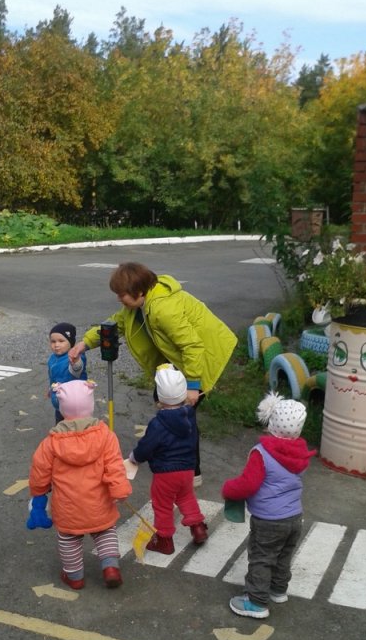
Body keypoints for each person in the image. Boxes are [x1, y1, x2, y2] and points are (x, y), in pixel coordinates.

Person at [69, 262, 237, 483]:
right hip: (178, 357)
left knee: (183, 415)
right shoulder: (135, 307)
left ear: (139, 291)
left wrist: (194, 386)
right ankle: (170, 455)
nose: (119, 299)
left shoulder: (163, 310)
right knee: (166, 404)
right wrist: (85, 343)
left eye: (122, 295)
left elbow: (193, 347)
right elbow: (114, 324)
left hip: (203, 353)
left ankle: (190, 472)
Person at [28, 379, 132, 589]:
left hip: (68, 506)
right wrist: (119, 489)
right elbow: (114, 465)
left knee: (69, 539)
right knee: (105, 532)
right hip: (99, 502)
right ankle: (110, 567)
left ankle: (75, 576)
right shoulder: (106, 436)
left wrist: (38, 493)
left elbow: (39, 472)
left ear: (62, 409)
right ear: (90, 405)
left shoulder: (51, 443)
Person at [221, 391, 316, 619]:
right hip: (294, 517)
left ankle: (256, 602)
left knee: (262, 558)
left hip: (268, 520)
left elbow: (248, 484)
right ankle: (278, 589)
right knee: (283, 556)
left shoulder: (262, 453)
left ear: (271, 422)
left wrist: (229, 489)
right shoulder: (301, 454)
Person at [128, 364, 208, 555]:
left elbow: (147, 446)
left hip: (166, 472)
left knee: (162, 505)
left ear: (159, 398)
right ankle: (198, 527)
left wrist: (135, 458)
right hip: (187, 469)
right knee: (186, 496)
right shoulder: (190, 417)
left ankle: (164, 540)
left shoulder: (159, 423)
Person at [47, 322, 88, 423]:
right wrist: (51, 388)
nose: (56, 345)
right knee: (60, 426)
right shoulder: (53, 358)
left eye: (61, 341)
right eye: (53, 341)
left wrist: (76, 361)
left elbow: (77, 369)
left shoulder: (75, 357)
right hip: (59, 404)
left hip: (74, 405)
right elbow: (53, 376)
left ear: (71, 342)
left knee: (74, 430)